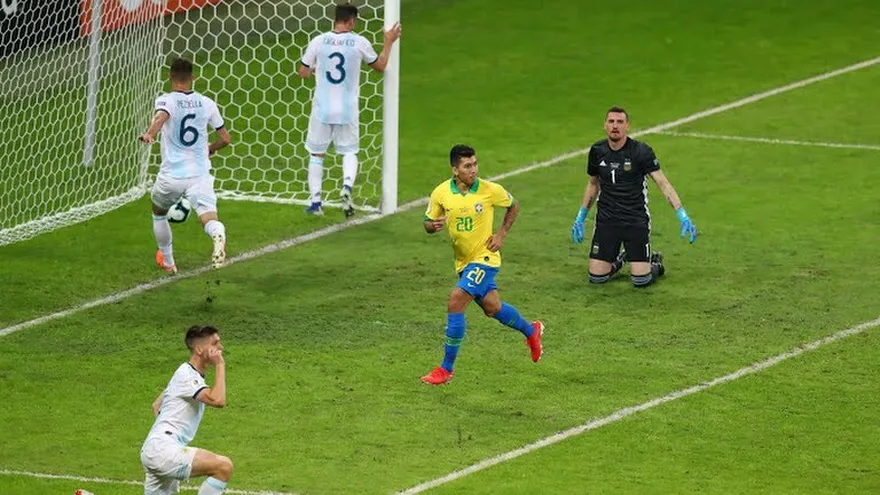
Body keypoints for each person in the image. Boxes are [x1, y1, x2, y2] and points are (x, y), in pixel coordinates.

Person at [421, 144, 544, 386]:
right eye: (467, 166)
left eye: (475, 164)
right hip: (463, 263)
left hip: (486, 259)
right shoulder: (441, 192)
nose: (474, 170)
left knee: (456, 301)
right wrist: (432, 226)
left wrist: (501, 234)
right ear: (455, 169)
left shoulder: (489, 190)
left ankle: (446, 369)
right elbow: (427, 221)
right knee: (492, 308)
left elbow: (514, 205)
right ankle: (532, 331)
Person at [571, 106, 698, 287]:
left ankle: (655, 264)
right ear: (605, 125)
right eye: (611, 121)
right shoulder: (597, 151)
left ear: (627, 126)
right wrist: (580, 218)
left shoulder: (641, 152)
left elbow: (663, 183)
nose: (615, 126)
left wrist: (682, 215)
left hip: (635, 220)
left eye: (620, 122)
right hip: (607, 220)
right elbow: (593, 184)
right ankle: (622, 259)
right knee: (597, 278)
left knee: (641, 281)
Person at [298, 3, 401, 217]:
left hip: (322, 108)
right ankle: (346, 186)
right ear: (352, 21)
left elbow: (303, 72)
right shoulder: (359, 42)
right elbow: (380, 66)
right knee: (349, 151)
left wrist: (318, 68)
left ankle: (316, 203)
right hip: (347, 109)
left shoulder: (318, 41)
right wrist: (389, 41)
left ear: (334, 19)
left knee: (317, 153)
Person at [139, 57, 232, 274]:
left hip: (172, 176)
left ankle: (168, 262)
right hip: (200, 175)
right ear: (193, 78)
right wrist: (211, 148)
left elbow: (160, 117)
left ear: (170, 76)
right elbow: (225, 139)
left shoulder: (166, 100)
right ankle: (217, 234)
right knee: (209, 218)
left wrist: (150, 134)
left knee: (158, 213)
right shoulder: (207, 103)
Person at [140, 325, 232, 495]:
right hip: (163, 450)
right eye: (215, 343)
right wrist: (220, 365)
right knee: (223, 467)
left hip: (156, 448)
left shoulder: (184, 373)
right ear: (199, 349)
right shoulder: (187, 376)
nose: (221, 348)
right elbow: (218, 400)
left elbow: (157, 405)